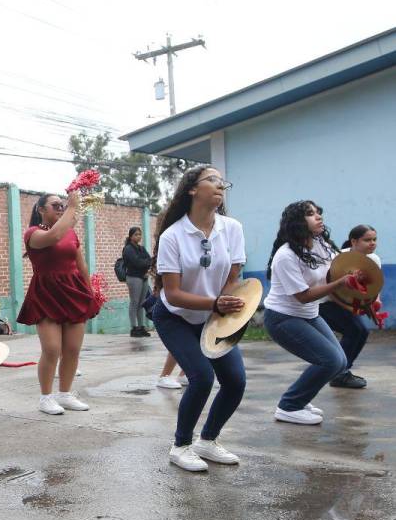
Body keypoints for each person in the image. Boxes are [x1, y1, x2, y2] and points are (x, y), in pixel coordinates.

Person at [152, 166, 247, 472]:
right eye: (212, 180)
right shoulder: (173, 236)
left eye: (223, 182)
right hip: (175, 317)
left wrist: (224, 304)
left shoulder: (231, 228)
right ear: (192, 189)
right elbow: (174, 293)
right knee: (202, 377)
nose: (220, 186)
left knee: (235, 381)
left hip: (213, 316)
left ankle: (207, 440)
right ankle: (180, 446)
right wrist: (215, 302)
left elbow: (233, 277)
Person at [264, 200, 353, 425]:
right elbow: (303, 296)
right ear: (297, 222)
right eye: (311, 214)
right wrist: (341, 283)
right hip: (283, 318)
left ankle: (300, 400)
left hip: (309, 314)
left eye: (318, 212)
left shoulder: (320, 245)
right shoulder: (286, 256)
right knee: (330, 360)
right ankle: (289, 406)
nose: (318, 217)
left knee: (340, 362)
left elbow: (339, 268)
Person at [17, 192, 98, 415]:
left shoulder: (71, 233)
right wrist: (73, 206)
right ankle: (46, 398)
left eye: (62, 205)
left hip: (73, 292)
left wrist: (90, 292)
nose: (61, 208)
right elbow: (53, 237)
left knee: (72, 349)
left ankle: (65, 394)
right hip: (46, 294)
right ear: (40, 210)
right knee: (52, 349)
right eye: (55, 205)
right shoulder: (33, 233)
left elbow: (81, 265)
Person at [317, 224, 380, 388]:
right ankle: (339, 373)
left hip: (346, 303)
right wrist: (352, 309)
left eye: (374, 239)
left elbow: (374, 286)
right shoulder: (338, 257)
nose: (372, 243)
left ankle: (341, 371)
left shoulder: (374, 259)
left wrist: (374, 302)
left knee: (360, 331)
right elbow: (331, 289)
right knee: (355, 330)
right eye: (367, 240)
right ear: (354, 241)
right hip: (325, 302)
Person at [122, 226, 153, 337]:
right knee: (134, 302)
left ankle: (141, 327)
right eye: (136, 234)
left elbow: (150, 260)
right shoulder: (128, 249)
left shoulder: (141, 248)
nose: (138, 236)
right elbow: (137, 263)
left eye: (140, 234)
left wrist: (145, 262)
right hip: (134, 278)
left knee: (141, 303)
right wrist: (145, 262)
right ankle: (133, 328)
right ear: (131, 236)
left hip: (144, 277)